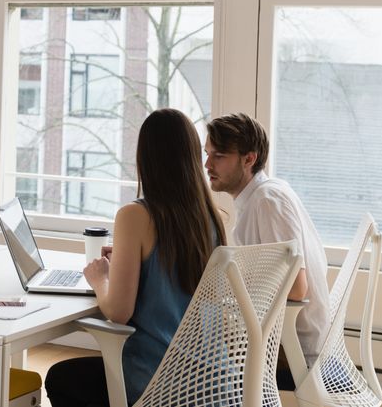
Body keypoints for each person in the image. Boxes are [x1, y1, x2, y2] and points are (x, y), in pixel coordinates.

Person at [45, 109, 226, 407]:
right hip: (212, 382)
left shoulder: (136, 214)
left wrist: (100, 278)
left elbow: (118, 311)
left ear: (146, 158)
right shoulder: (209, 217)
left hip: (160, 382)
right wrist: (134, 263)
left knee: (60, 378)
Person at [204, 112, 328, 387]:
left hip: (292, 352)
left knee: (192, 359)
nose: (207, 164)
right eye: (207, 154)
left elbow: (297, 288)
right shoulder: (262, 196)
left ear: (249, 158)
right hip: (280, 339)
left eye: (219, 156)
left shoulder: (267, 202)